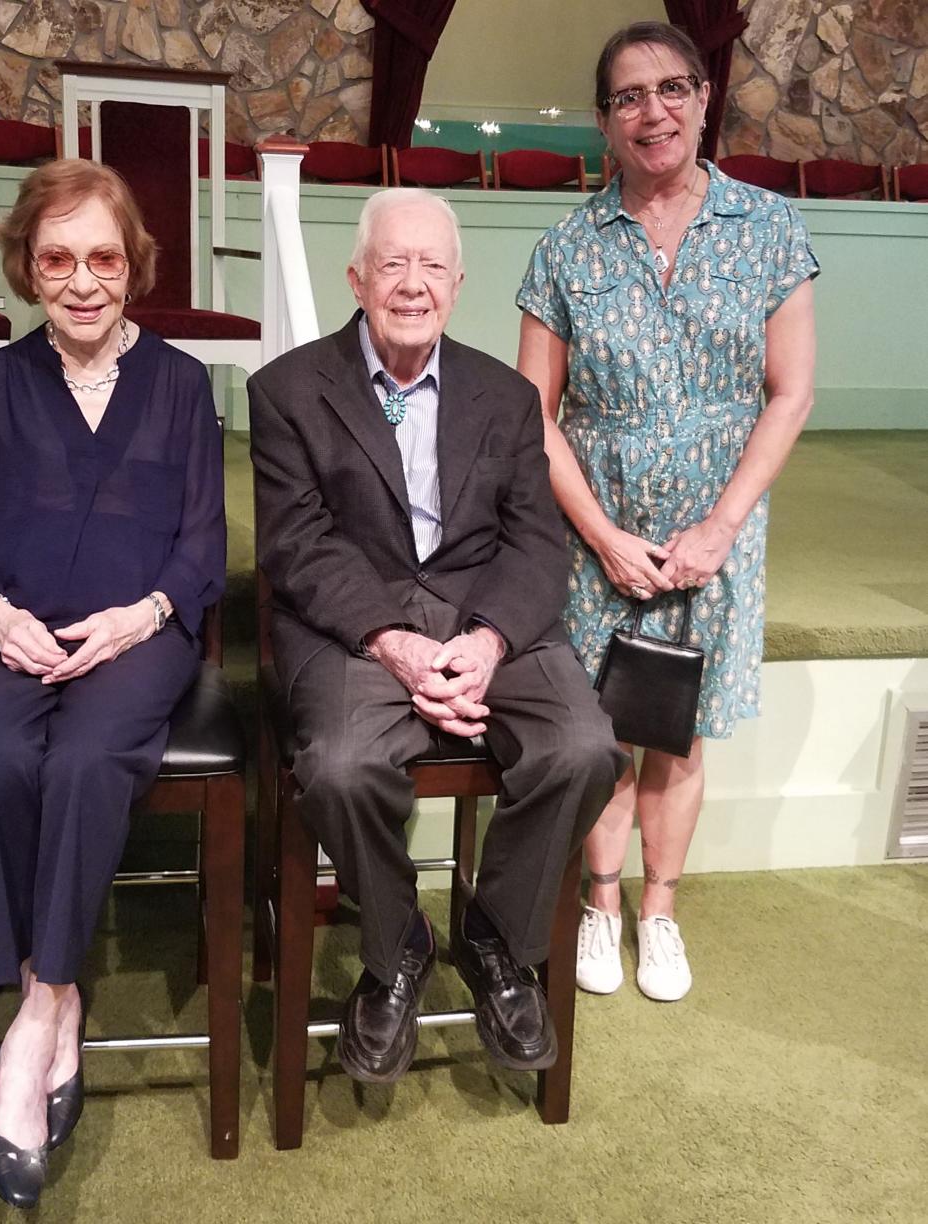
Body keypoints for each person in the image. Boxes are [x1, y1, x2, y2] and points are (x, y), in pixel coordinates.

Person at [249, 188, 626, 1085]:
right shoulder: (289, 391)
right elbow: (295, 545)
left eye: (431, 268)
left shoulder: (506, 394)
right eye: (392, 263)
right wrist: (394, 642)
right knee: (338, 767)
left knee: (585, 747)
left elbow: (537, 540)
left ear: (458, 284)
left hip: (490, 620)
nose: (411, 285)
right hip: (357, 627)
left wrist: (489, 641)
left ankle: (496, 933)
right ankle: (399, 941)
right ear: (357, 277)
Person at [0, 159, 225, 1208]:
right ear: (29, 267)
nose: (83, 280)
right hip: (7, 630)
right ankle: (54, 997)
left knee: (91, 757)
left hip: (135, 636)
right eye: (57, 258)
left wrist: (143, 617)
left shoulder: (185, 385)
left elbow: (202, 546)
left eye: (103, 256)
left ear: (133, 265)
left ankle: (38, 1011)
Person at [516, 21, 818, 1003]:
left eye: (672, 88)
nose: (655, 112)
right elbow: (535, 418)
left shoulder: (769, 229)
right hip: (595, 538)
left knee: (676, 734)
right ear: (604, 121)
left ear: (701, 98)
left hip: (717, 540)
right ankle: (600, 904)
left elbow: (790, 393)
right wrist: (603, 538)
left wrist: (722, 525)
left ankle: (660, 910)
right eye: (629, 96)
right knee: (602, 733)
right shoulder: (565, 248)